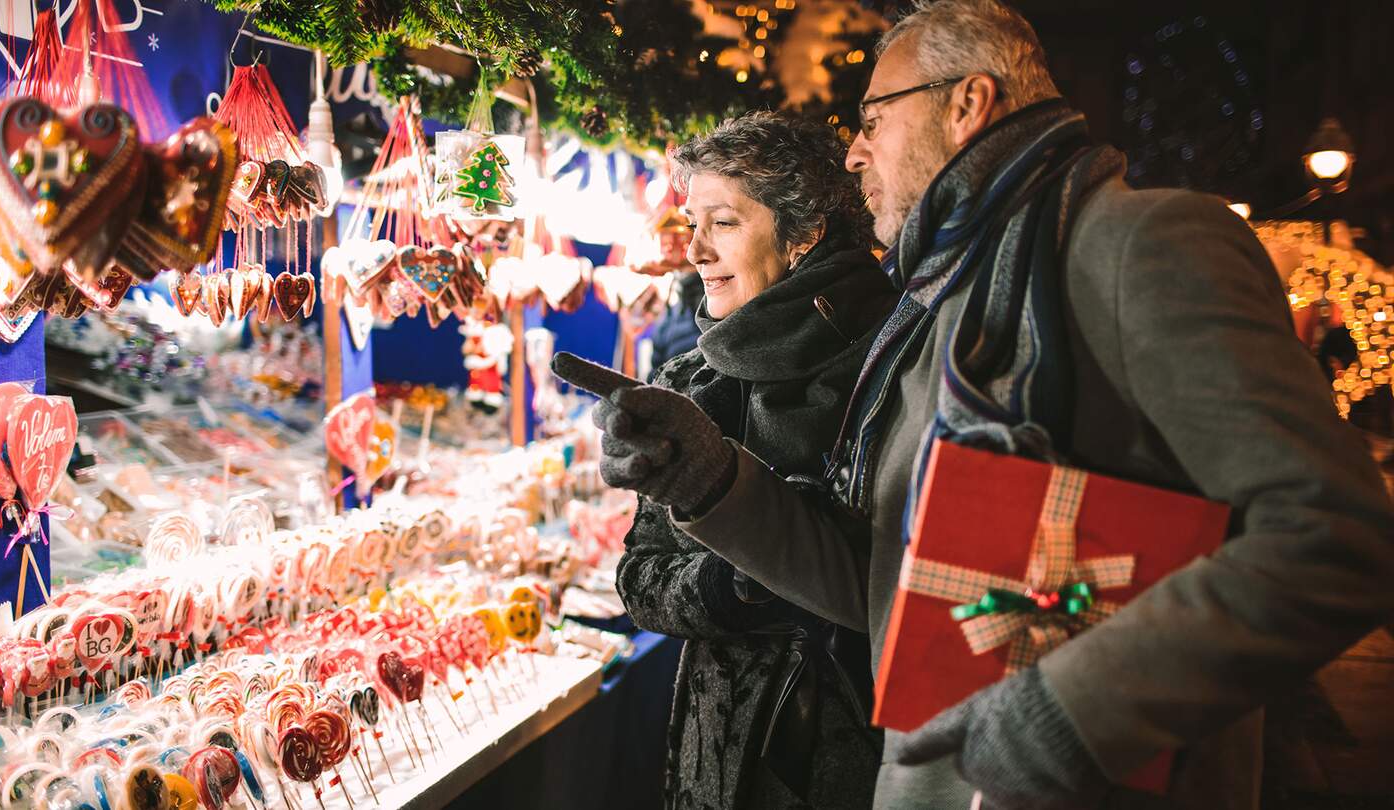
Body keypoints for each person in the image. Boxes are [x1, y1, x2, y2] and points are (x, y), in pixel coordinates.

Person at [553, 1, 1394, 809]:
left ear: (968, 103)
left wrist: (1064, 715)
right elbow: (879, 581)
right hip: (934, 776)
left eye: (874, 117)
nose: (853, 154)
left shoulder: (1139, 243)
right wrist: (713, 482)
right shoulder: (939, 305)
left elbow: (1333, 535)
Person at [610, 111, 896, 809]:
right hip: (717, 752)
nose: (697, 251)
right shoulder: (686, 381)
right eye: (693, 224)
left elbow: (897, 577)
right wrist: (730, 589)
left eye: (725, 224)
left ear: (802, 235)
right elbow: (639, 579)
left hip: (857, 752)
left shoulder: (894, 361)